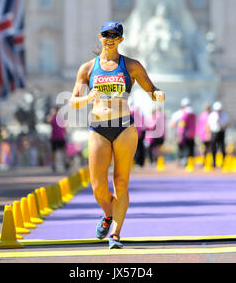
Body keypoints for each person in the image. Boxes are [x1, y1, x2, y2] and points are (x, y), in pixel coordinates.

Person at [69, 21, 165, 249]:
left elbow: (151, 89)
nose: (110, 38)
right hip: (98, 129)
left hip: (124, 128)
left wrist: (157, 94)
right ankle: (109, 214)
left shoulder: (131, 65)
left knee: (121, 182)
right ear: (100, 37)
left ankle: (116, 234)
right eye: (106, 34)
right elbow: (73, 102)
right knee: (98, 186)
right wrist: (89, 98)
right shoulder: (88, 68)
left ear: (121, 40)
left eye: (115, 35)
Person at [207, 101, 230, 168]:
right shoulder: (212, 115)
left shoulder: (224, 115)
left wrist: (224, 127)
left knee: (222, 147)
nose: (218, 112)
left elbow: (228, 123)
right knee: (214, 148)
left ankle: (224, 162)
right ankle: (214, 162)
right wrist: (208, 134)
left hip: (221, 132)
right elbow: (208, 125)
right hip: (214, 132)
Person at [46, 106, 69, 172]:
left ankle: (65, 163)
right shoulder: (56, 118)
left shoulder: (55, 118)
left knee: (61, 152)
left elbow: (64, 127)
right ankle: (55, 165)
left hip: (59, 137)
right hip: (55, 138)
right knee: (55, 153)